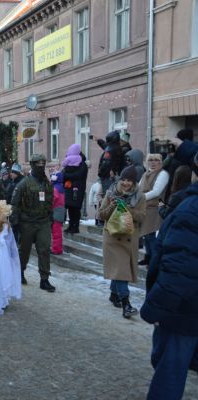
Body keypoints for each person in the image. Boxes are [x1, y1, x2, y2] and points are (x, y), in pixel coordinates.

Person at [141, 151, 198, 400]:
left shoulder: (190, 209)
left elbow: (181, 266)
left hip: (185, 310)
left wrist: (156, 308)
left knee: (170, 369)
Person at [98, 166, 146, 318]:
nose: (126, 183)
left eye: (129, 180)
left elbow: (142, 217)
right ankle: (126, 304)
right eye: (123, 180)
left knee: (120, 269)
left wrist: (128, 209)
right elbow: (101, 215)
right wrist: (112, 205)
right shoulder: (111, 193)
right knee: (121, 270)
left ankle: (114, 294)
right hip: (112, 237)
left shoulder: (140, 196)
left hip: (129, 237)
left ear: (134, 182)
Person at [11, 154, 56, 292]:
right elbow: (15, 204)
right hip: (27, 223)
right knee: (24, 250)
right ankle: (19, 273)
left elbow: (50, 201)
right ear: (32, 165)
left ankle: (44, 279)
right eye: (38, 164)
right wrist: (15, 222)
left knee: (44, 250)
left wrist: (51, 217)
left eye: (43, 164)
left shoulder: (47, 183)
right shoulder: (23, 183)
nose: (41, 166)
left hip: (43, 222)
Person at [138, 154, 169, 267]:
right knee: (146, 235)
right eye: (150, 160)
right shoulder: (145, 174)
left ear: (161, 162)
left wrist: (140, 198)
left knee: (151, 235)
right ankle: (148, 256)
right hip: (144, 207)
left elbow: (156, 192)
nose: (153, 162)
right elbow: (138, 188)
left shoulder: (163, 174)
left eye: (156, 160)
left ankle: (154, 260)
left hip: (155, 208)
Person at [62, 144, 88, 234]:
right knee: (70, 207)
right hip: (69, 188)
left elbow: (78, 175)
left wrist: (66, 175)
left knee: (76, 208)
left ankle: (75, 226)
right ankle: (71, 225)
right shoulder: (69, 162)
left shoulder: (82, 164)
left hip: (78, 189)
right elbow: (63, 173)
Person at [51, 171, 65, 255]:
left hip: (55, 211)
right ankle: (57, 248)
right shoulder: (61, 187)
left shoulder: (55, 188)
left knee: (56, 232)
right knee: (58, 232)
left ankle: (56, 249)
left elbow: (53, 199)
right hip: (60, 210)